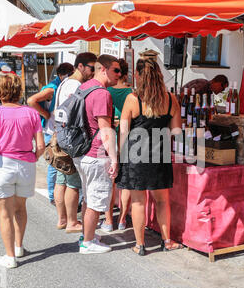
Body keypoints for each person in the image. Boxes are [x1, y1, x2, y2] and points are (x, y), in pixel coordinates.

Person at [115, 58, 183, 256]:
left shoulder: (133, 99)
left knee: (138, 202)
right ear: (159, 75)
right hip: (160, 155)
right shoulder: (171, 99)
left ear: (137, 75)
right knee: (162, 201)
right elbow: (176, 131)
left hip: (136, 156)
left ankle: (140, 244)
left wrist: (119, 156)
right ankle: (166, 241)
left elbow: (124, 133)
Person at [0, 74, 45, 269]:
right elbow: (40, 146)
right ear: (18, 91)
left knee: (4, 213)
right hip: (25, 163)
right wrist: (33, 158)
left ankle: (10, 257)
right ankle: (18, 247)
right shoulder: (31, 113)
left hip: (1, 163)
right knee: (20, 208)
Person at [73, 54, 121, 254]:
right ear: (103, 69)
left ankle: (87, 235)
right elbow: (105, 129)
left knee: (88, 197)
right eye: (116, 70)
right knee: (96, 198)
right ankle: (88, 243)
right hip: (96, 153)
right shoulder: (102, 94)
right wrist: (114, 158)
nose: (119, 74)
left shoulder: (84, 87)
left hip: (81, 152)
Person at [53, 53, 97, 234]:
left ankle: (62, 219)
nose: (93, 72)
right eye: (92, 68)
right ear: (81, 66)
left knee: (61, 178)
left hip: (61, 134)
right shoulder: (77, 85)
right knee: (72, 181)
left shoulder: (64, 82)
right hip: (72, 137)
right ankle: (72, 221)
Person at [27, 63, 74, 205]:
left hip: (56, 129)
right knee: (54, 164)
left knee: (58, 164)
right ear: (62, 75)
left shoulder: (59, 86)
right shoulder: (52, 88)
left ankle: (56, 194)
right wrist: (46, 114)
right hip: (51, 130)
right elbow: (31, 100)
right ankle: (52, 196)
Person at [102, 58, 133, 232]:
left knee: (110, 179)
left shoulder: (107, 91)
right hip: (128, 137)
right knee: (125, 181)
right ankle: (122, 219)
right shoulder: (133, 93)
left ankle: (108, 221)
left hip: (110, 135)